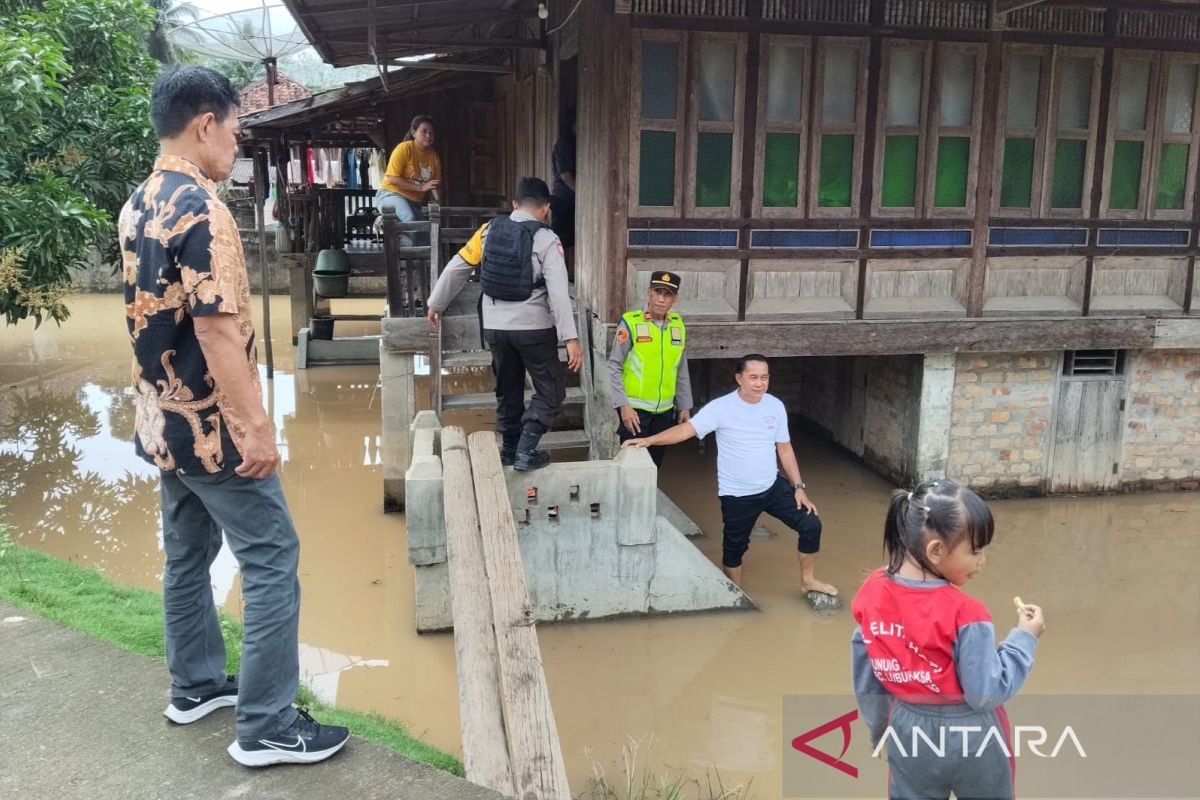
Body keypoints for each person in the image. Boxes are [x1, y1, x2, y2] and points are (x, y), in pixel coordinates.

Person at [120, 65, 348, 767]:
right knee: (274, 557)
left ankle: (194, 687)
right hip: (214, 432)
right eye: (236, 128)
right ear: (204, 124)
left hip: (162, 423)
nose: (238, 142)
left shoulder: (140, 200)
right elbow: (218, 331)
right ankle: (268, 725)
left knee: (187, 555)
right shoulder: (202, 208)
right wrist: (256, 428)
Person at [850, 479, 1046, 800]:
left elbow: (866, 668)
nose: (982, 561)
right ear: (936, 550)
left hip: (908, 729)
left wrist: (879, 729)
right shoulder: (967, 613)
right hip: (974, 735)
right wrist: (1023, 639)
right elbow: (983, 693)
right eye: (976, 551)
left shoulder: (871, 592)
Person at [622, 354, 836, 593]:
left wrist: (798, 488)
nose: (759, 383)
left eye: (764, 377)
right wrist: (650, 440)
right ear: (739, 378)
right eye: (753, 377)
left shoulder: (775, 405)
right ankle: (735, 591)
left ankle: (808, 580)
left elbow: (784, 449)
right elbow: (687, 430)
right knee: (734, 551)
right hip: (737, 494)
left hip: (772, 486)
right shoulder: (721, 408)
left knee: (811, 524)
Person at [426, 177, 583, 471]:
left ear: (514, 205)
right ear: (546, 208)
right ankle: (525, 450)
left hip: (495, 329)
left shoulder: (488, 231)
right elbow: (559, 294)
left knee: (507, 388)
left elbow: (457, 267)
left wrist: (436, 303)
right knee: (551, 392)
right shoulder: (548, 240)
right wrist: (571, 338)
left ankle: (509, 450)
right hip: (534, 329)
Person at [607, 271, 692, 467]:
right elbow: (614, 365)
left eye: (667, 294)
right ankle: (627, 499)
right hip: (635, 411)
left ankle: (647, 498)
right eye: (658, 292)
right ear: (649, 293)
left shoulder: (678, 325)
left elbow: (680, 368)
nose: (661, 299)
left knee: (654, 466)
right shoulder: (631, 322)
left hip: (664, 411)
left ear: (675, 299)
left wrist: (685, 404)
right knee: (631, 466)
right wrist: (623, 405)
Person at [376, 114, 441, 245]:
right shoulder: (404, 148)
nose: (428, 135)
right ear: (413, 132)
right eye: (424, 131)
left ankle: (419, 264)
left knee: (425, 237)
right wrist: (421, 188)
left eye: (431, 133)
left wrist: (437, 201)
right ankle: (390, 229)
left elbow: (435, 185)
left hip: (414, 202)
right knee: (409, 218)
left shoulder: (433, 156)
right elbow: (392, 178)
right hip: (391, 194)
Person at [550, 114, 576, 278]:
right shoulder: (566, 143)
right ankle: (556, 274)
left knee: (570, 238)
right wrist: (580, 195)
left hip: (570, 200)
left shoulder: (575, 142)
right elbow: (566, 175)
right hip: (563, 200)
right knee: (561, 240)